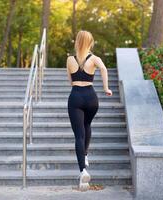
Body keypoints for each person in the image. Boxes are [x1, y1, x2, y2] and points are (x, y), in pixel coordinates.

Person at [66, 30, 112, 191]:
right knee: (87, 125)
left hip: (76, 97)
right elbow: (104, 69)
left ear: (77, 41)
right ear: (90, 42)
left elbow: (70, 81)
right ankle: (85, 154)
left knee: (79, 135)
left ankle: (82, 170)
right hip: (91, 98)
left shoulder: (70, 60)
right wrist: (106, 88)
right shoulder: (95, 59)